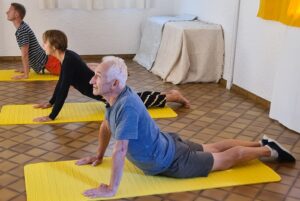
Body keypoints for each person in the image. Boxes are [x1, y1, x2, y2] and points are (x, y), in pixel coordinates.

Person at [76, 56, 296, 198]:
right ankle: (261, 142)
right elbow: (106, 126)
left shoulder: (127, 107)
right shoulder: (114, 98)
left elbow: (121, 149)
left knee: (223, 158)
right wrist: (98, 155)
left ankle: (269, 150)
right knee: (213, 147)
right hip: (168, 143)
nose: (91, 81)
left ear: (115, 83)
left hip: (170, 161)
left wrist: (112, 188)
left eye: (97, 76)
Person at [33, 30, 190, 122]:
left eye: (44, 43)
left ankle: (173, 97)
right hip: (102, 89)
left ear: (54, 46)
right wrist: (50, 102)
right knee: (136, 97)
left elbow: (64, 90)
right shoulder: (67, 57)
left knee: (137, 101)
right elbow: (61, 83)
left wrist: (52, 116)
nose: (43, 45)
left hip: (105, 90)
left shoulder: (68, 60)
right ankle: (170, 95)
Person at [6, 2, 61, 80]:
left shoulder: (22, 30)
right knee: (74, 66)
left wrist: (26, 74)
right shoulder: (22, 27)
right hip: (47, 62)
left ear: (17, 14)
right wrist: (26, 69)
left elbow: (25, 54)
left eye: (10, 10)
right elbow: (28, 52)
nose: (7, 12)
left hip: (49, 64)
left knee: (75, 70)